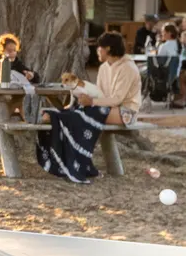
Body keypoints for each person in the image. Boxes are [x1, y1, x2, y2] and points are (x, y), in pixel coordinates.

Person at [37, 33, 137, 182]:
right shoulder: (104, 67)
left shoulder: (127, 67)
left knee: (82, 114)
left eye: (99, 48)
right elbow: (100, 93)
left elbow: (118, 99)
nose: (97, 51)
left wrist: (91, 102)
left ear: (108, 48)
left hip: (125, 111)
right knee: (78, 111)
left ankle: (78, 161)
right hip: (104, 106)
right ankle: (53, 118)